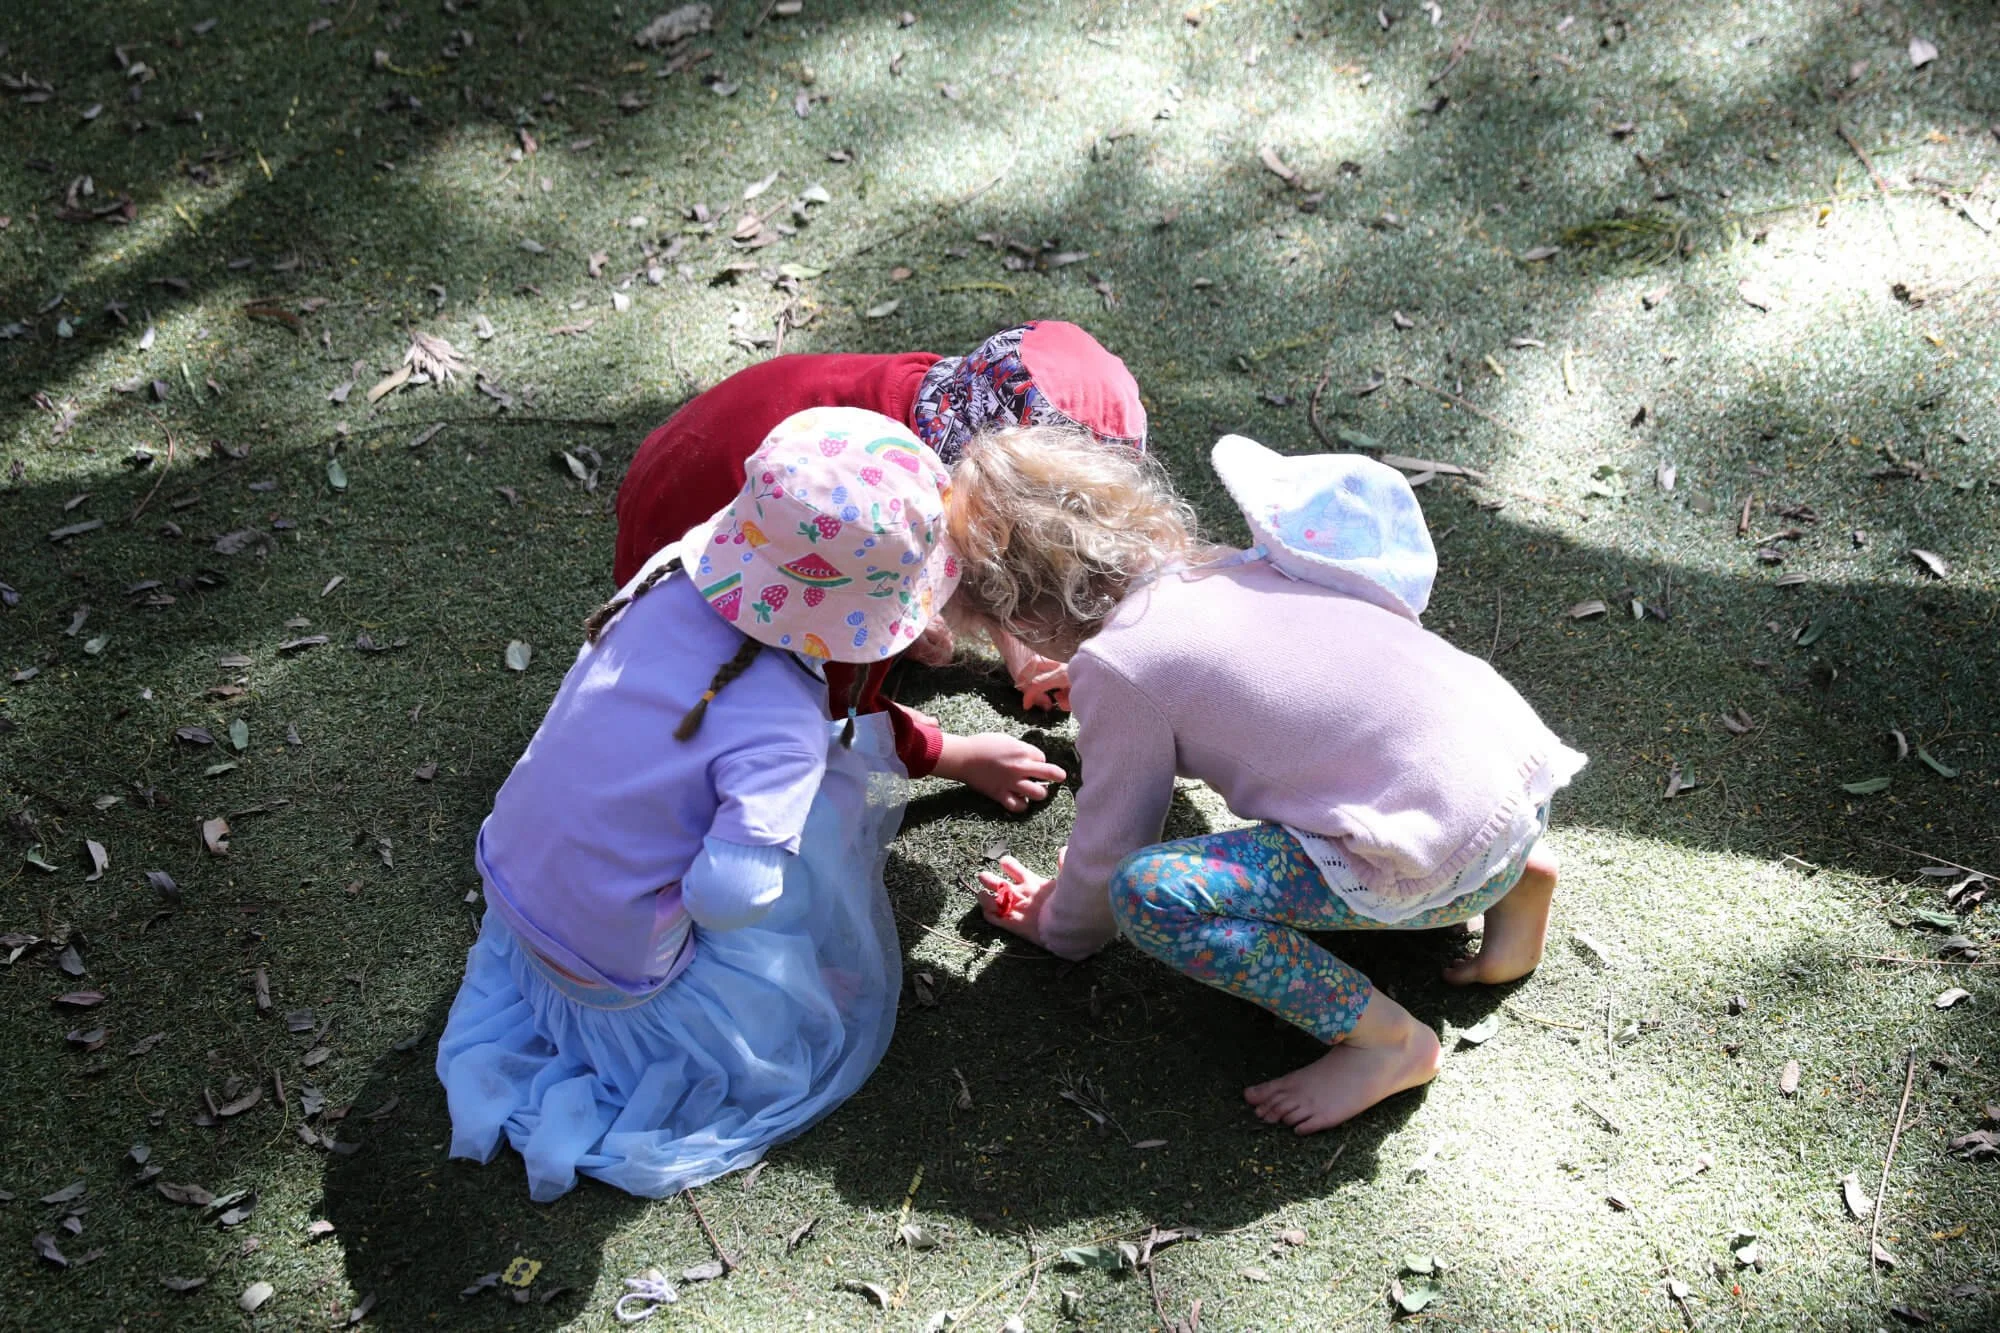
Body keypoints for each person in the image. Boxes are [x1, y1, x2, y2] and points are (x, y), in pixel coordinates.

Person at [955, 431, 1587, 1135]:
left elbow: (1112, 839)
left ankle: (1385, 1039)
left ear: (1019, 615)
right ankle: (1522, 881)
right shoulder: (1234, 566)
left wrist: (1061, 925)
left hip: (1439, 866)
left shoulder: (1116, 665)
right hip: (1517, 782)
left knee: (1149, 892)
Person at [436, 407, 960, 1201]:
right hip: (616, 979)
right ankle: (740, 1003)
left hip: (516, 897)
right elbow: (730, 895)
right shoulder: (782, 723)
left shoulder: (665, 580)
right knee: (810, 825)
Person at [612, 322, 1148, 808]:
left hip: (690, 476)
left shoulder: (955, 396)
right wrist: (957, 756)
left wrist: (1020, 650)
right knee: (786, 701)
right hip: (698, 575)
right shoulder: (873, 526)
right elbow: (841, 705)